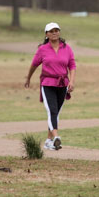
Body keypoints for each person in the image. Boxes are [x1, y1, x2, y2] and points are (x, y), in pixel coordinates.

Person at [25, 22, 76, 150]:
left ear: (59, 32)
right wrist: (28, 78)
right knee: (52, 111)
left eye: (56, 30)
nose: (54, 33)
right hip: (48, 83)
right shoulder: (42, 49)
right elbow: (34, 65)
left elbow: (72, 66)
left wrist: (72, 81)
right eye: (51, 31)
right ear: (46, 34)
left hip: (63, 84)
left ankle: (48, 141)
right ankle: (56, 137)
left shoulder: (67, 48)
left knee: (56, 113)